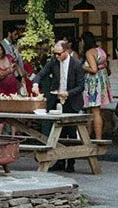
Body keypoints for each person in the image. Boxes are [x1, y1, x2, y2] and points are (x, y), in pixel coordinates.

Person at [39, 38, 85, 171]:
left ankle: (71, 162)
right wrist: (36, 83)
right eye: (55, 53)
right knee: (59, 133)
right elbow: (42, 74)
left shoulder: (76, 64)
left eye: (59, 53)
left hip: (71, 101)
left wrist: (67, 93)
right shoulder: (53, 62)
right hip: (57, 100)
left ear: (67, 51)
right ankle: (59, 161)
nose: (56, 56)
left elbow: (81, 86)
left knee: (71, 132)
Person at [81, 32, 112, 142]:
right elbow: (105, 66)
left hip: (93, 84)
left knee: (95, 111)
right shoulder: (100, 50)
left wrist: (83, 67)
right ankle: (88, 136)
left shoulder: (90, 52)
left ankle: (98, 139)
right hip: (102, 81)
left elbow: (94, 69)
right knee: (91, 111)